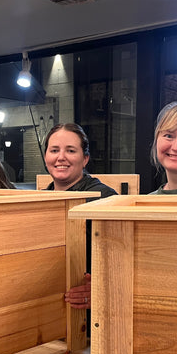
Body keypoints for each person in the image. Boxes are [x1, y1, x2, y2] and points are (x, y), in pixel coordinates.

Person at [41, 123, 117, 310]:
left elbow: (120, 260)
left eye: (70, 150)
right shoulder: (39, 199)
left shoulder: (105, 198)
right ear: (45, 157)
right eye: (54, 150)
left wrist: (103, 289)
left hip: (93, 315)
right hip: (48, 313)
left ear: (85, 159)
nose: (61, 157)